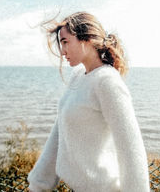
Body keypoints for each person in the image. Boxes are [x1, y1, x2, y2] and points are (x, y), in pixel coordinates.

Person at [28, 11, 150, 192]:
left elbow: (131, 149)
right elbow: (59, 135)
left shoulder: (107, 81)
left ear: (86, 39)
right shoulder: (77, 77)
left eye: (65, 42)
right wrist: (38, 184)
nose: (62, 52)